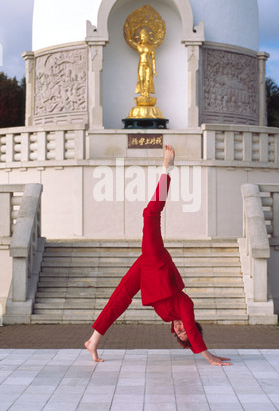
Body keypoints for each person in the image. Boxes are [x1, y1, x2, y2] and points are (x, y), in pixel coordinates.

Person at [85, 146, 232, 367]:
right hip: (157, 264)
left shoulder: (167, 318)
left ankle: (92, 341)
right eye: (184, 329)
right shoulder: (186, 305)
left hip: (147, 274)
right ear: (192, 324)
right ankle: (166, 171)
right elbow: (192, 329)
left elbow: (189, 331)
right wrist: (208, 356)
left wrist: (197, 345)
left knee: (119, 299)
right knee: (150, 214)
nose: (180, 328)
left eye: (178, 332)